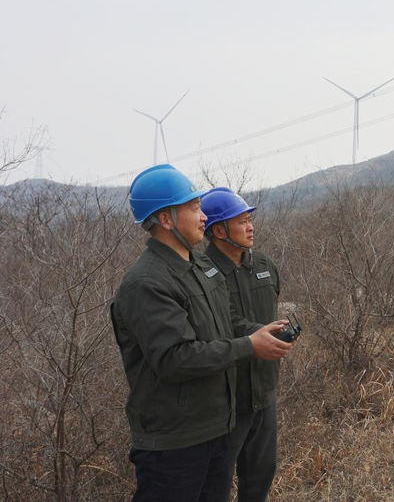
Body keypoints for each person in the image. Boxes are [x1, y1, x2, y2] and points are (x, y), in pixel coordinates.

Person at [111, 164, 293, 502]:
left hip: (214, 429)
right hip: (174, 445)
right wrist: (248, 346)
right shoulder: (146, 283)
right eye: (194, 208)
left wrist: (259, 333)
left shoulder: (197, 268)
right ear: (166, 220)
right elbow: (175, 358)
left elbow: (225, 323)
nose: (203, 217)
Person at [200, 187, 287, 502]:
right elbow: (220, 324)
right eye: (241, 221)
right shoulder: (201, 274)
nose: (250, 227)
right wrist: (260, 335)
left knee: (260, 476)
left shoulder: (264, 264)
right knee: (216, 483)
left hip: (264, 392)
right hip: (226, 402)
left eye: (250, 219)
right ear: (219, 231)